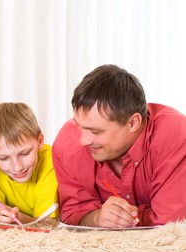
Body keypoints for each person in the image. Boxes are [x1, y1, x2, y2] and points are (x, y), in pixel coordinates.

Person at [52, 64, 186, 228]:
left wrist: (127, 218)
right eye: (79, 125)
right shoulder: (67, 145)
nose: (83, 140)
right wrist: (97, 218)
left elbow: (170, 222)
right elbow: (72, 213)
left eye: (95, 131)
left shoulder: (175, 136)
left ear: (133, 123)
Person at [0, 102, 59, 224]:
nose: (17, 167)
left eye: (24, 154)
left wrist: (17, 217)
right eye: (4, 158)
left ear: (39, 141)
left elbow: (47, 223)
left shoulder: (50, 161)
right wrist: (2, 215)